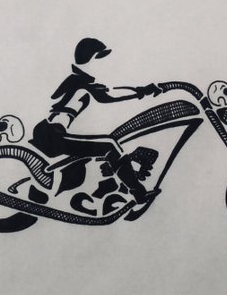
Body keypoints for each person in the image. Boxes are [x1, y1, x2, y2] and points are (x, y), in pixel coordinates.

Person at [30, 38, 161, 203]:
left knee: (107, 144)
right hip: (53, 135)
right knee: (110, 145)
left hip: (49, 132)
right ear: (90, 61)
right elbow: (109, 95)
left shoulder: (76, 80)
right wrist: (142, 91)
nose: (105, 64)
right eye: (101, 59)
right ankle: (138, 193)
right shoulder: (81, 83)